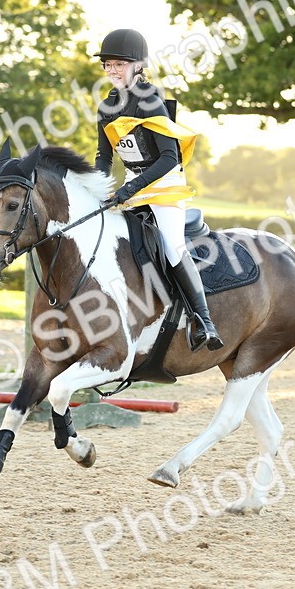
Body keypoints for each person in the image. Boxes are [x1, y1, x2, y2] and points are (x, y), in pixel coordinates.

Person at [93, 28, 224, 352]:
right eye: (107, 65)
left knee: (171, 245)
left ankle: (203, 320)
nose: (112, 70)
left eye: (118, 64)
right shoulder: (106, 107)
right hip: (131, 185)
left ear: (138, 65)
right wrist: (97, 189)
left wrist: (130, 190)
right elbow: (104, 157)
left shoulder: (151, 102)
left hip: (164, 185)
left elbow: (169, 157)